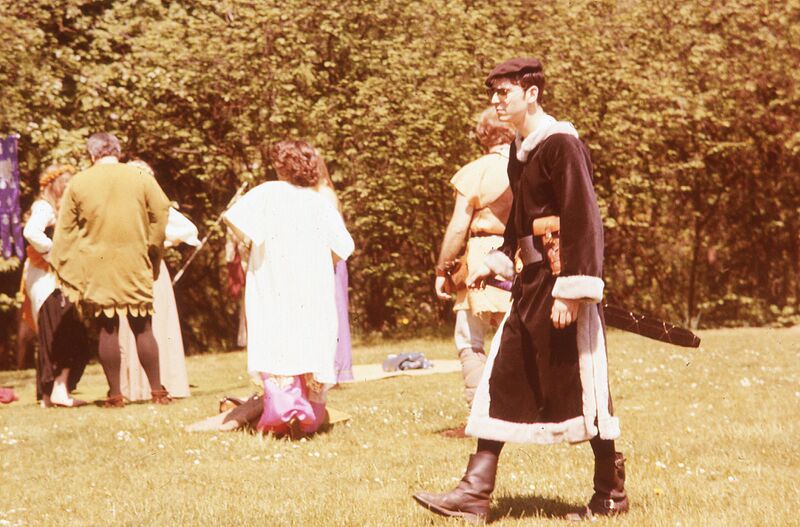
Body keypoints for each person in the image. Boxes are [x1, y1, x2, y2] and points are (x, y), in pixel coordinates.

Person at [413, 58, 629, 523]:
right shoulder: (520, 150)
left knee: (585, 386)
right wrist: (496, 258)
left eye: (504, 92)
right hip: (529, 285)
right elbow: (520, 219)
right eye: (492, 93)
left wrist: (572, 291)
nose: (496, 101)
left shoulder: (562, 144)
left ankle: (610, 493)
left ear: (532, 94)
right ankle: (474, 494)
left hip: (561, 284)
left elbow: (583, 218)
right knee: (502, 375)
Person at [209, 139, 354, 437]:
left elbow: (232, 218)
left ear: (280, 165)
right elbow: (343, 246)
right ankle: (308, 415)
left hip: (273, 280)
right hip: (311, 284)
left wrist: (248, 243)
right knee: (309, 336)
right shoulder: (318, 202)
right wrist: (320, 263)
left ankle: (283, 412)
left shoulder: (267, 193)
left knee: (277, 336)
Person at [49, 132, 171, 408]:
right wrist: (152, 247)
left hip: (97, 264)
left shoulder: (79, 182)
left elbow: (65, 230)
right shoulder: (140, 176)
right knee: (142, 326)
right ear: (118, 152)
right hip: (135, 259)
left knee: (107, 328)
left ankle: (115, 395)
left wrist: (71, 266)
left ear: (92, 154)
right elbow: (162, 210)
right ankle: (157, 392)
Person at [433, 108, 514, 437]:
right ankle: (519, 415)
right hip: (522, 254)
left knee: (469, 338)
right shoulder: (532, 168)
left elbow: (458, 227)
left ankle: (481, 417)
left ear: (483, 135)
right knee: (514, 336)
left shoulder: (476, 171)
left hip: (484, 254)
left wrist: (442, 269)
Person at [117, 160, 199, 401]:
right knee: (136, 325)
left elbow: (188, 229)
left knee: (154, 323)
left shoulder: (153, 207)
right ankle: (139, 387)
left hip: (149, 266)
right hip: (132, 267)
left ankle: (157, 383)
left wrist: (162, 242)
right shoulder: (127, 207)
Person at [22, 164, 90, 407]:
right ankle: (59, 390)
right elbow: (31, 232)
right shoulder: (45, 208)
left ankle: (48, 395)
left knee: (52, 335)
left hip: (47, 278)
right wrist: (54, 252)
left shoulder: (50, 208)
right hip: (49, 280)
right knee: (64, 331)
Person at [315, 153, 354, 383]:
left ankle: (339, 368)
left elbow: (333, 232)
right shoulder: (317, 193)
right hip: (323, 258)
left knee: (335, 311)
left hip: (332, 258)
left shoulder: (324, 193)